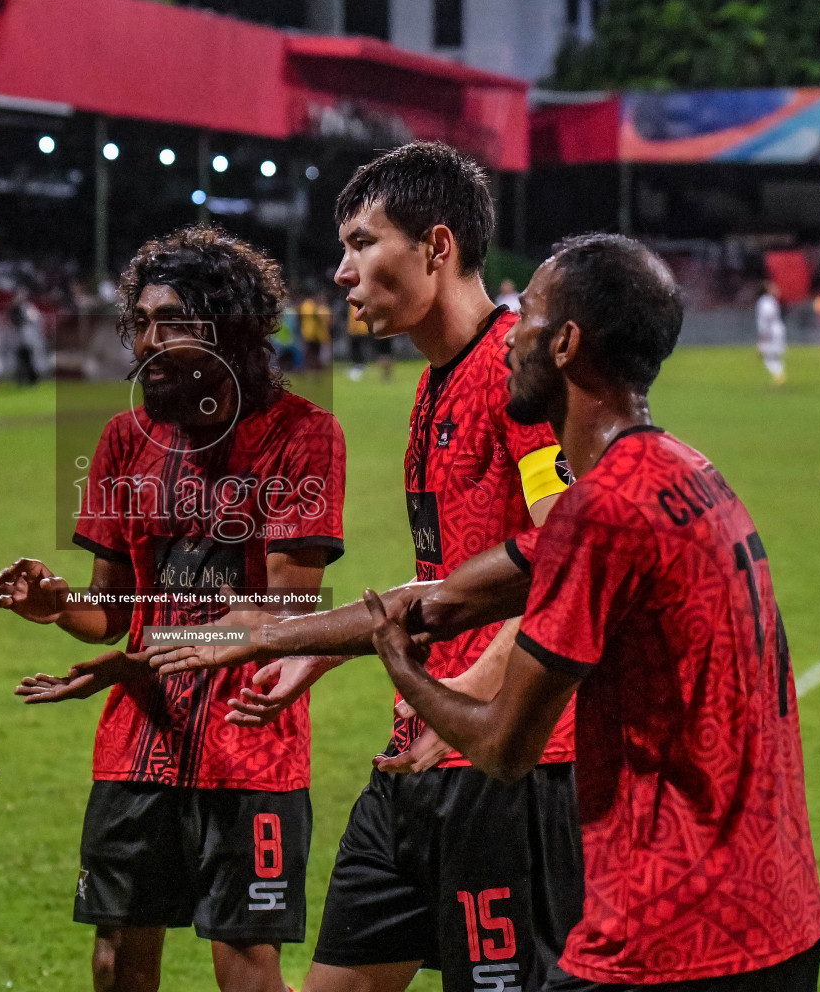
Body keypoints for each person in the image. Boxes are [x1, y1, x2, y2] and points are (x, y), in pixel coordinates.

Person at [165, 233, 820, 991]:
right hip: (772, 911)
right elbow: (450, 598)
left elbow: (503, 746)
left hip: (678, 934)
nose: (511, 334)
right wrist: (280, 635)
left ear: (568, 344)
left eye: (530, 317)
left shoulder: (598, 511)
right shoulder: (681, 470)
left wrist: (412, 682)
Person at [153, 143, 580, 992]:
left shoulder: (514, 375)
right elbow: (451, 575)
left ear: (437, 247)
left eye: (361, 242)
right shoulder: (436, 381)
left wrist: (471, 706)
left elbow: (569, 563)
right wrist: (315, 651)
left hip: (506, 768)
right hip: (414, 755)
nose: (341, 271)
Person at [0, 226, 346, 992]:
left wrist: (145, 649)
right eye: (142, 323)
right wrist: (57, 604)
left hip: (250, 741)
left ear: (232, 330)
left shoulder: (303, 437)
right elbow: (109, 609)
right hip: (138, 743)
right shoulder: (123, 440)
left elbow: (289, 606)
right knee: (116, 957)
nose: (149, 343)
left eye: (173, 323)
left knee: (245, 966)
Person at [755, 281, 787, 386]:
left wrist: (763, 337)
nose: (775, 288)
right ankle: (779, 376)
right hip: (775, 331)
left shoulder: (765, 301)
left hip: (771, 332)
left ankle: (779, 376)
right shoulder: (768, 301)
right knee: (773, 356)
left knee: (769, 357)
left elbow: (766, 317)